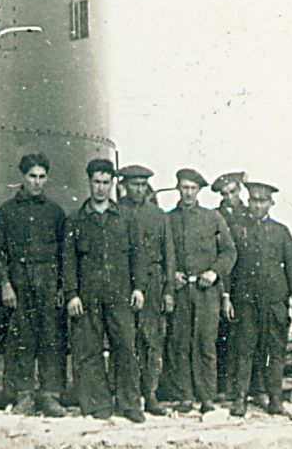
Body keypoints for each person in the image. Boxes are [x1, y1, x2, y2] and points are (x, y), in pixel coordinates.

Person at [62, 158, 147, 423]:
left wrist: (139, 288)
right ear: (89, 182)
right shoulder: (76, 220)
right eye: (97, 182)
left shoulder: (126, 218)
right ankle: (98, 404)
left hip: (120, 294)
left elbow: (138, 255)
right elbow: (68, 260)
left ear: (112, 185)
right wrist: (71, 294)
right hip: (88, 296)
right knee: (89, 350)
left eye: (106, 183)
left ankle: (129, 403)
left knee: (126, 347)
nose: (101, 188)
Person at [0, 153, 67, 416]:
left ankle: (50, 396)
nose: (37, 182)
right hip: (20, 282)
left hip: (48, 282)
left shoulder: (55, 212)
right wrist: (5, 284)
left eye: (42, 177)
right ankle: (23, 395)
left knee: (51, 339)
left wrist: (61, 287)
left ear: (47, 179)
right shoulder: (7, 211)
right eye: (32, 176)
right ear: (23, 178)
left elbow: (64, 253)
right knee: (21, 339)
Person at [224, 181, 292, 417]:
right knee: (244, 350)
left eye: (262, 201)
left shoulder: (281, 231)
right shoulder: (237, 230)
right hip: (246, 302)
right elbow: (228, 266)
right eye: (253, 201)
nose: (257, 206)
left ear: (271, 203)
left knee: (275, 351)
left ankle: (275, 398)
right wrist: (227, 297)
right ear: (248, 202)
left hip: (274, 302)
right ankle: (240, 399)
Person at [164, 167, 237, 413]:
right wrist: (172, 275)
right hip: (180, 291)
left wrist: (214, 272)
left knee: (205, 344)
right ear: (178, 188)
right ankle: (185, 396)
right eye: (184, 188)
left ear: (199, 191)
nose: (188, 193)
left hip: (207, 293)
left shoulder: (212, 218)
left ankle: (207, 397)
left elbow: (229, 252)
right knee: (180, 343)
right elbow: (163, 254)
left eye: (193, 188)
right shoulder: (168, 219)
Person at [118, 164, 176, 416]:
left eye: (143, 185)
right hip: (123, 283)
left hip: (153, 282)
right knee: (126, 340)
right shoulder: (116, 212)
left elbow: (169, 254)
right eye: (134, 184)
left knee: (152, 339)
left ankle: (150, 393)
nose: (139, 190)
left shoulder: (158, 215)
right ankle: (125, 396)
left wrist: (168, 290)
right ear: (124, 185)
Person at [211, 170, 248, 400]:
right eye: (225, 194)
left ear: (240, 190)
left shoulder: (249, 214)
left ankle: (246, 386)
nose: (229, 197)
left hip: (247, 282)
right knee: (223, 334)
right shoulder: (215, 217)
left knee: (246, 336)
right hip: (225, 282)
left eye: (233, 192)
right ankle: (224, 386)